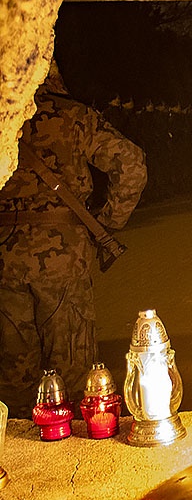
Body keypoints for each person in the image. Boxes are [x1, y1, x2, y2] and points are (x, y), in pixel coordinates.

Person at [0, 62, 147, 418]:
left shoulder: (4, 118)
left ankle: (17, 451)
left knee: (11, 368)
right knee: (72, 362)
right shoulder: (73, 117)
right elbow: (131, 163)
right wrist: (107, 220)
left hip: (3, 254)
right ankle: (76, 453)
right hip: (63, 255)